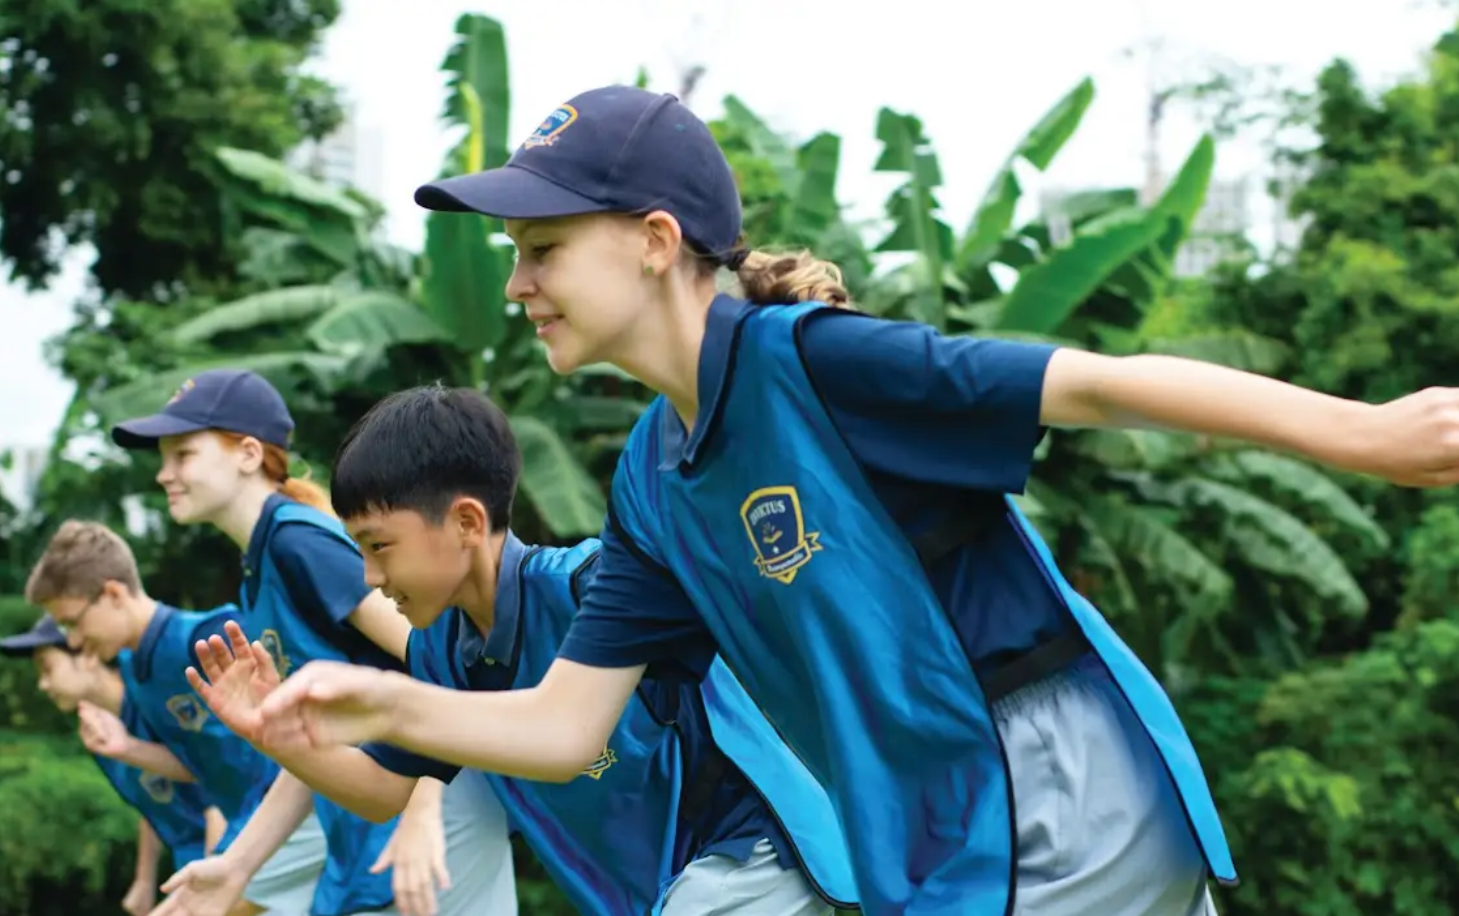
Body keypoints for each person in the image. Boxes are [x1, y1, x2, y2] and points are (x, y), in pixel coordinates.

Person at [249, 84, 1459, 916]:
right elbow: (563, 730)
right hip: (931, 820)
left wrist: (1364, 433)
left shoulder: (813, 364)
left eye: (543, 248)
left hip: (1048, 782)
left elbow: (1090, 382)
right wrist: (386, 697)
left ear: (656, 239)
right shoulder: (652, 483)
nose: (514, 285)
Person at [184, 384, 859, 915]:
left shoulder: (596, 589)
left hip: (750, 850)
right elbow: (382, 791)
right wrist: (273, 734)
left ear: (467, 523)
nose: (369, 577)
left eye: (379, 546)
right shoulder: (440, 650)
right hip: (670, 886)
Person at [109, 370, 518, 916]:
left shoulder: (297, 543)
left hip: (436, 813)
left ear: (248, 454)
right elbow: (315, 744)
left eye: (182, 455)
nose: (164, 474)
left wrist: (423, 811)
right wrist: (237, 866)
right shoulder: (262, 564)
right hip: (373, 825)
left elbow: (439, 659)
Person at [23, 520, 330, 916]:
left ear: (113, 594)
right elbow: (196, 769)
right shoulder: (135, 671)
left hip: (297, 808)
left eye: (73, 622)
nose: (75, 641)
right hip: (253, 827)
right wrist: (126, 748)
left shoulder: (206, 636)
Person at [0, 612, 226, 916]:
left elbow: (219, 785)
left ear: (88, 655)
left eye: (47, 667)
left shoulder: (156, 699)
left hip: (234, 849)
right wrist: (144, 880)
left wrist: (214, 891)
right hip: (192, 862)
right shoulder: (99, 732)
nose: (42, 684)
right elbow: (154, 799)